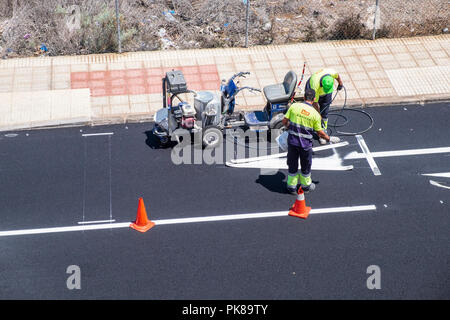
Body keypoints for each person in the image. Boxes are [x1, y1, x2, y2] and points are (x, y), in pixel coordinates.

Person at [282, 88, 340, 194]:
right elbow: (319, 133)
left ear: (304, 97)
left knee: (292, 164)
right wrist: (329, 138)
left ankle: (291, 187)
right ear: (313, 99)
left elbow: (284, 121)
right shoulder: (315, 115)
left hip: (292, 143)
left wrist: (289, 127)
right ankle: (305, 187)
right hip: (305, 145)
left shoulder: (294, 106)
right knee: (306, 166)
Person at [305, 68, 344, 144]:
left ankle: (322, 132)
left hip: (324, 92)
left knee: (325, 112)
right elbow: (315, 103)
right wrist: (319, 115)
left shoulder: (332, 73)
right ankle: (316, 129)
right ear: (322, 84)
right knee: (314, 111)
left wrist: (340, 83)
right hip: (314, 91)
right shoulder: (314, 84)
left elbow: (337, 76)